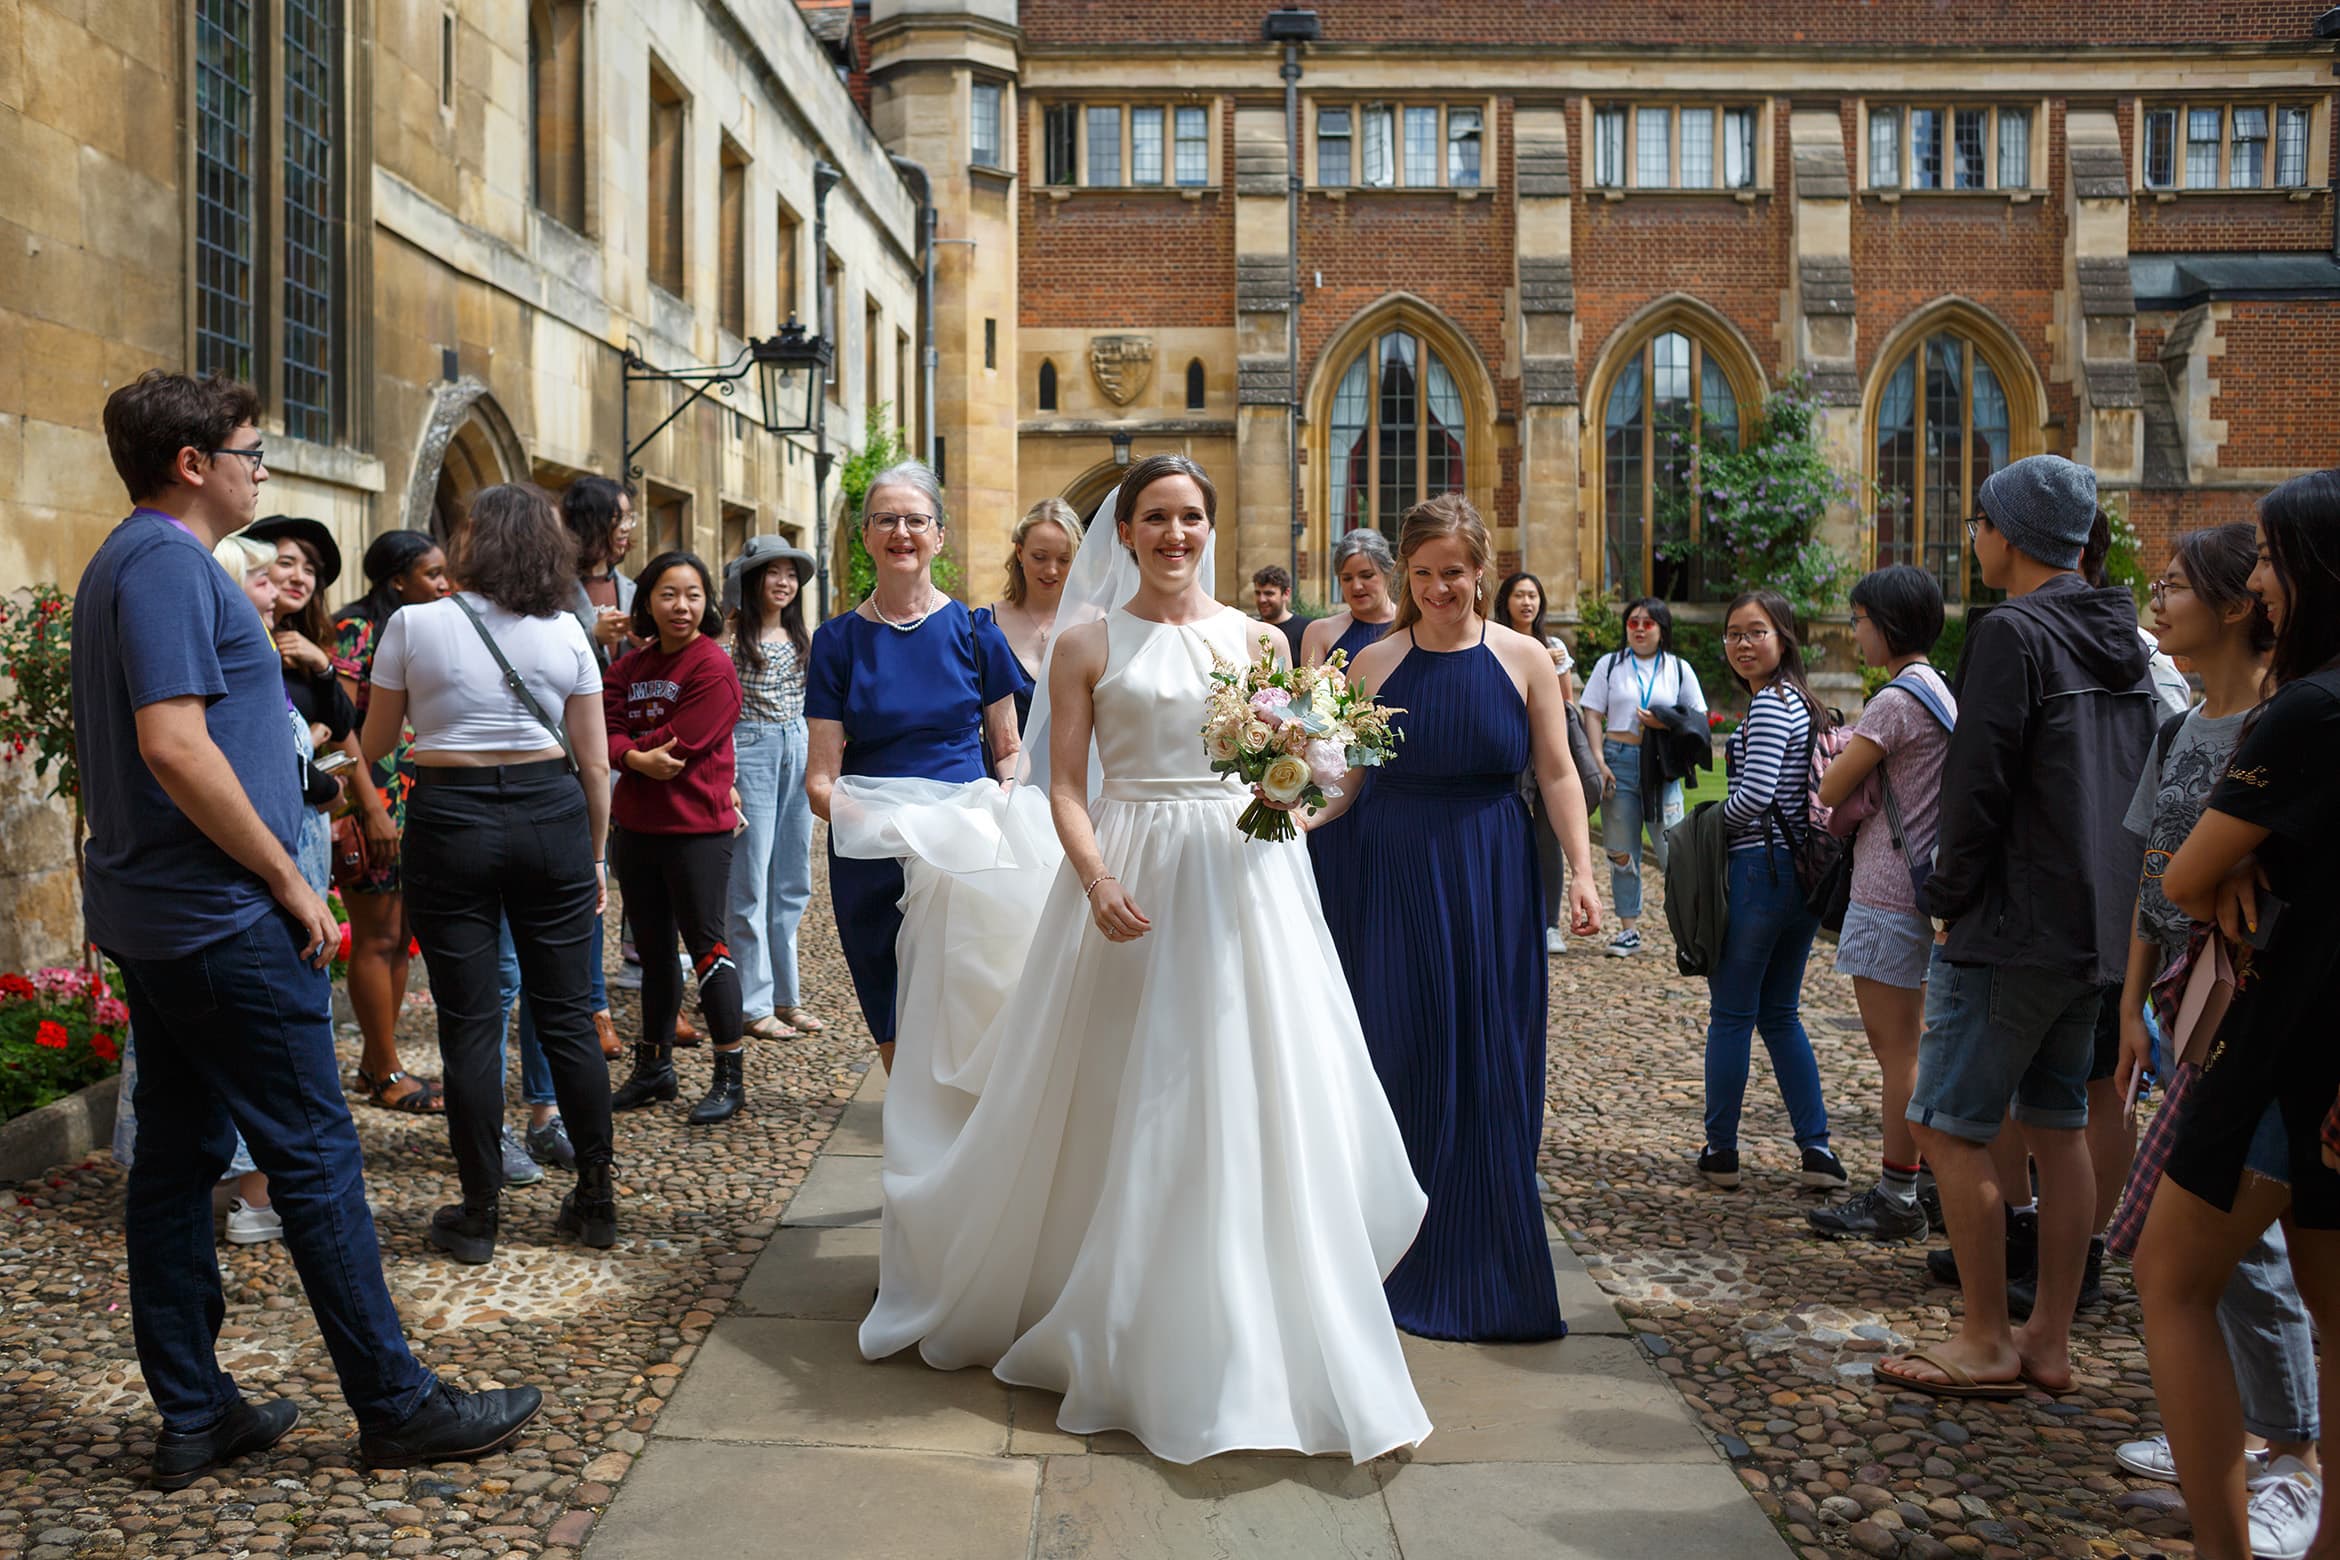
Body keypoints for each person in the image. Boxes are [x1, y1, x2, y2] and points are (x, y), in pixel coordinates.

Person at [853, 453, 1432, 1462]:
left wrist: (1299, 792)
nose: (1174, 535)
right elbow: (1064, 786)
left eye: (1190, 518)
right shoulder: (1087, 641)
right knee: (1125, 1090)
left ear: (1212, 528)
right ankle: (1108, 1301)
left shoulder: (1257, 639)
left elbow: (1311, 765)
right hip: (1130, 874)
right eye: (1155, 518)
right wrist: (1095, 878)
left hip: (1248, 880)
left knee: (1250, 1085)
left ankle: (1252, 1310)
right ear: (1124, 532)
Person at [74, 370, 539, 1488]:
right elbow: (175, 746)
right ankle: (396, 1404)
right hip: (216, 919)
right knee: (316, 1155)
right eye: (250, 450)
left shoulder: (131, 563)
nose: (259, 468)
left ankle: (198, 1411)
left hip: (166, 918)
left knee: (179, 1160)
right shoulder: (170, 566)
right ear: (193, 465)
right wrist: (287, 877)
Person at [1875, 453, 2153, 1402]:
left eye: (1981, 521)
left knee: (1947, 1125)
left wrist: (1947, 896)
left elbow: (1978, 785)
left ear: (2014, 534)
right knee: (2058, 1125)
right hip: (2094, 926)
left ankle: (1987, 1338)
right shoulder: (2121, 632)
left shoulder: (2013, 633)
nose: (1973, 538)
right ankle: (2049, 1339)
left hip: (2011, 920)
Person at [1309, 494, 1602, 1342]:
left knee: (1487, 1052)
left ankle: (1485, 1261)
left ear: (1483, 571)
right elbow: (1347, 784)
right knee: (1397, 1046)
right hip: (1389, 870)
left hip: (1491, 873)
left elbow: (1556, 774)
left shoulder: (1523, 660)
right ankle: (1392, 1254)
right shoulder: (1372, 665)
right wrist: (1292, 815)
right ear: (1410, 574)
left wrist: (1581, 872)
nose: (1441, 588)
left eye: (1457, 574)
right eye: (1426, 574)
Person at [2138, 471, 2340, 1560]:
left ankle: (2225, 1545)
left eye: (2269, 556)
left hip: (2288, 1035)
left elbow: (2184, 875)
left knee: (2171, 1276)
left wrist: (2215, 873)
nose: (2256, 577)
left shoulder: (2307, 709)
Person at [360, 483, 616, 1264]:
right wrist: (597, 857)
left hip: (451, 815)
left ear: (472, 541)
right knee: (567, 1014)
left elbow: (373, 743)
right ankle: (597, 1203)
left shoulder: (414, 622)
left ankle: (478, 1215)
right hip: (550, 816)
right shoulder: (569, 631)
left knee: (470, 1022)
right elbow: (596, 764)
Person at [805, 462, 1022, 1073]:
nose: (902, 532)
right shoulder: (837, 641)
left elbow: (1007, 750)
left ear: (939, 535)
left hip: (962, 839)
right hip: (870, 845)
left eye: (916, 520)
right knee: (891, 998)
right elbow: (820, 779)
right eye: (885, 520)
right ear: (867, 536)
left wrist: (1006, 799)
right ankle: (909, 1117)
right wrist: (875, 824)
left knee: (969, 992)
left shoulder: (980, 633)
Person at [1807, 567, 1956, 1238]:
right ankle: (1921, 1178)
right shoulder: (1939, 691)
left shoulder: (1896, 701)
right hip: (1923, 889)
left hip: (1889, 889)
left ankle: (1897, 1193)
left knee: (1899, 1051)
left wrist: (1835, 746)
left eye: (1860, 619)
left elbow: (1833, 788)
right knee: (1917, 1043)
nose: (1854, 631)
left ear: (1886, 624)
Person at [1693, 590, 1843, 1193]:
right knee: (1781, 1015)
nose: (1742, 644)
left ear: (1784, 637)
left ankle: (1722, 1150)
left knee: (1732, 1015)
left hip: (1760, 870)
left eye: (1756, 632)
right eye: (1733, 634)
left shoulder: (1774, 704)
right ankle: (1817, 1150)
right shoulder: (1799, 700)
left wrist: (1707, 824)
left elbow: (1754, 799)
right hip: (1800, 876)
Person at [605, 551, 751, 1123]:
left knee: (708, 948)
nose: (681, 606)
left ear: (707, 602)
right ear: (647, 603)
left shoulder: (712, 666)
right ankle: (655, 1069)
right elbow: (606, 727)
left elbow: (685, 739)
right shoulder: (629, 667)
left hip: (697, 832)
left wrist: (636, 751)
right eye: (668, 594)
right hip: (637, 831)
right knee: (654, 955)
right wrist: (635, 756)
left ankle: (728, 1072)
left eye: (692, 594)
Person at [332, 529, 450, 1113]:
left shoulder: (424, 628)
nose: (445, 583)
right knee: (377, 939)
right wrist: (370, 808)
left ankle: (375, 1062)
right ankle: (385, 1073)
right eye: (433, 573)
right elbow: (336, 726)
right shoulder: (355, 630)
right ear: (397, 580)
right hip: (371, 805)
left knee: (400, 939)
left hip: (412, 804)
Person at [724, 536, 823, 1045]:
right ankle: (753, 1003)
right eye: (772, 572)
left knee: (792, 880)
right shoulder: (728, 644)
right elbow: (721, 719)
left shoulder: (807, 639)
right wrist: (727, 783)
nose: (783, 582)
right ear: (751, 579)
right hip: (751, 753)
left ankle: (788, 997)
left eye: (790, 573)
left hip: (798, 747)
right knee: (749, 881)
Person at [559, 476, 645, 1037]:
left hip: (632, 751)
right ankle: (594, 1006)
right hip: (572, 753)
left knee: (639, 876)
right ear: (594, 524)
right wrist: (589, 632)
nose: (630, 529)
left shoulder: (634, 589)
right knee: (587, 879)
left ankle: (648, 980)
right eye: (622, 518)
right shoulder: (552, 588)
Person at [1579, 598, 1707, 956]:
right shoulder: (1610, 665)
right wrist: (1598, 760)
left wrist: (1664, 720)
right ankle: (1628, 929)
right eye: (1632, 622)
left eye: (1647, 623)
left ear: (1662, 629)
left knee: (1674, 851)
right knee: (1621, 850)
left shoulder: (1678, 668)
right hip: (1618, 761)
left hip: (1661, 767)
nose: (1638, 628)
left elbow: (1698, 715)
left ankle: (1690, 933)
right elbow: (1592, 713)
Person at [1298, 528, 1399, 956]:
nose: (1356, 586)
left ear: (1388, 574)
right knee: (1335, 892)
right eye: (1346, 577)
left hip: (1392, 782)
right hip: (1334, 779)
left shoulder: (1409, 630)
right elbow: (1300, 714)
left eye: (1366, 575)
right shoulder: (1322, 632)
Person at [1492, 570, 1578, 952]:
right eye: (1520, 595)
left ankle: (1550, 923)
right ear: (1506, 601)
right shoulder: (1494, 642)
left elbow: (1566, 706)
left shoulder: (1554, 646)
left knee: (1547, 834)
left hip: (1541, 749)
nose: (1527, 602)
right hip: (1507, 748)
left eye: (1533, 596)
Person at [973, 497, 1084, 736]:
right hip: (1007, 770)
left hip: (1079, 769)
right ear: (1020, 552)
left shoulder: (1097, 622)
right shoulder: (986, 625)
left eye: (1064, 559)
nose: (1051, 570)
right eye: (1040, 557)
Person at [1249, 563, 1314, 666]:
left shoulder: (1307, 629)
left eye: (1269, 593)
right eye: (1258, 593)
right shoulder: (1251, 629)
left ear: (1286, 593)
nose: (1262, 599)